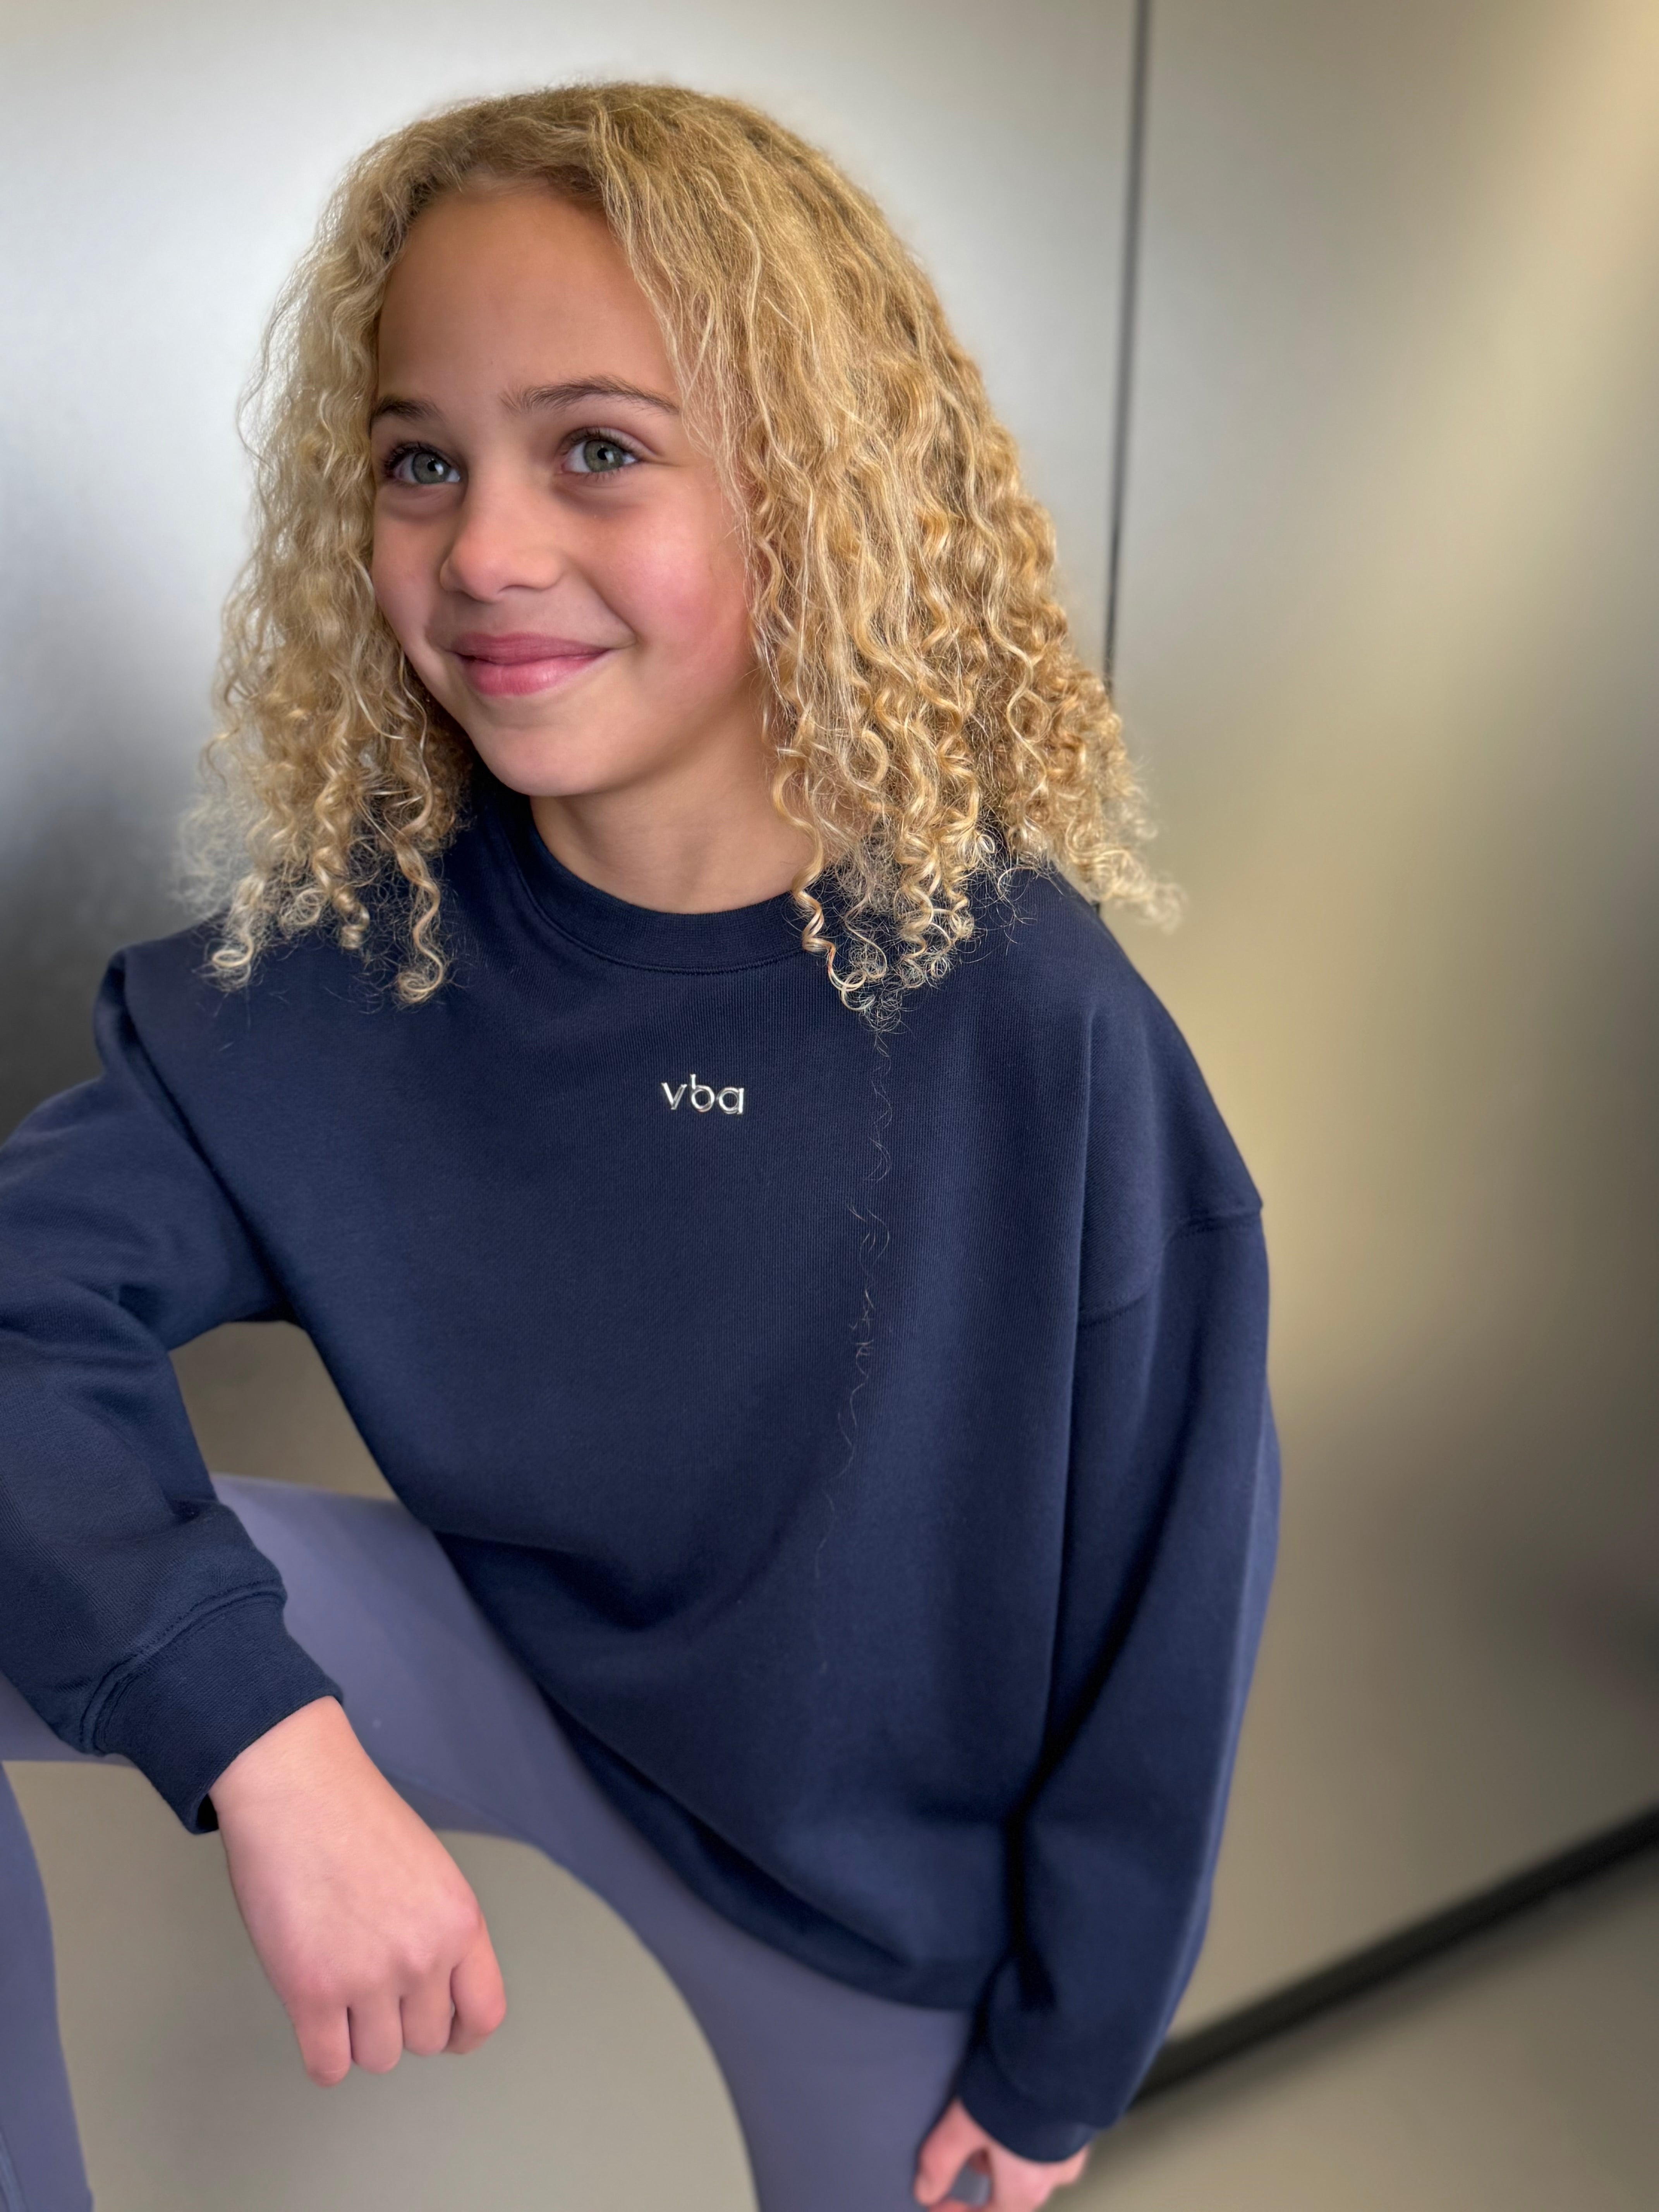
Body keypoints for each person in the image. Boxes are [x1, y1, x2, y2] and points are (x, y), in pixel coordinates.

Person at [0, 82, 1277, 2212]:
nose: (487, 550)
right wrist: (271, 1746)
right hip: (500, 1670)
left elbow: (1169, 1598)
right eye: (422, 460)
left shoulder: (1039, 1034)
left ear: (818, 492)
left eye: (596, 448)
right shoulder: (354, 972)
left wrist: (1068, 2058)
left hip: (852, 1883)